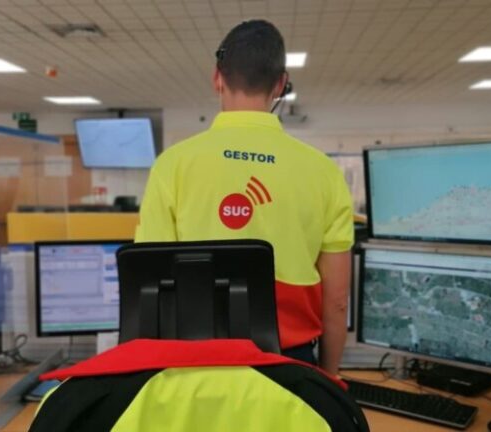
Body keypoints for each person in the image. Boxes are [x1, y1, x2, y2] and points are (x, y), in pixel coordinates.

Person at [135, 20, 353, 375]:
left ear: (217, 78)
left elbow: (151, 283)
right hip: (289, 365)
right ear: (281, 85)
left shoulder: (172, 164)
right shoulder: (323, 172)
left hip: (193, 364)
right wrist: (328, 377)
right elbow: (337, 302)